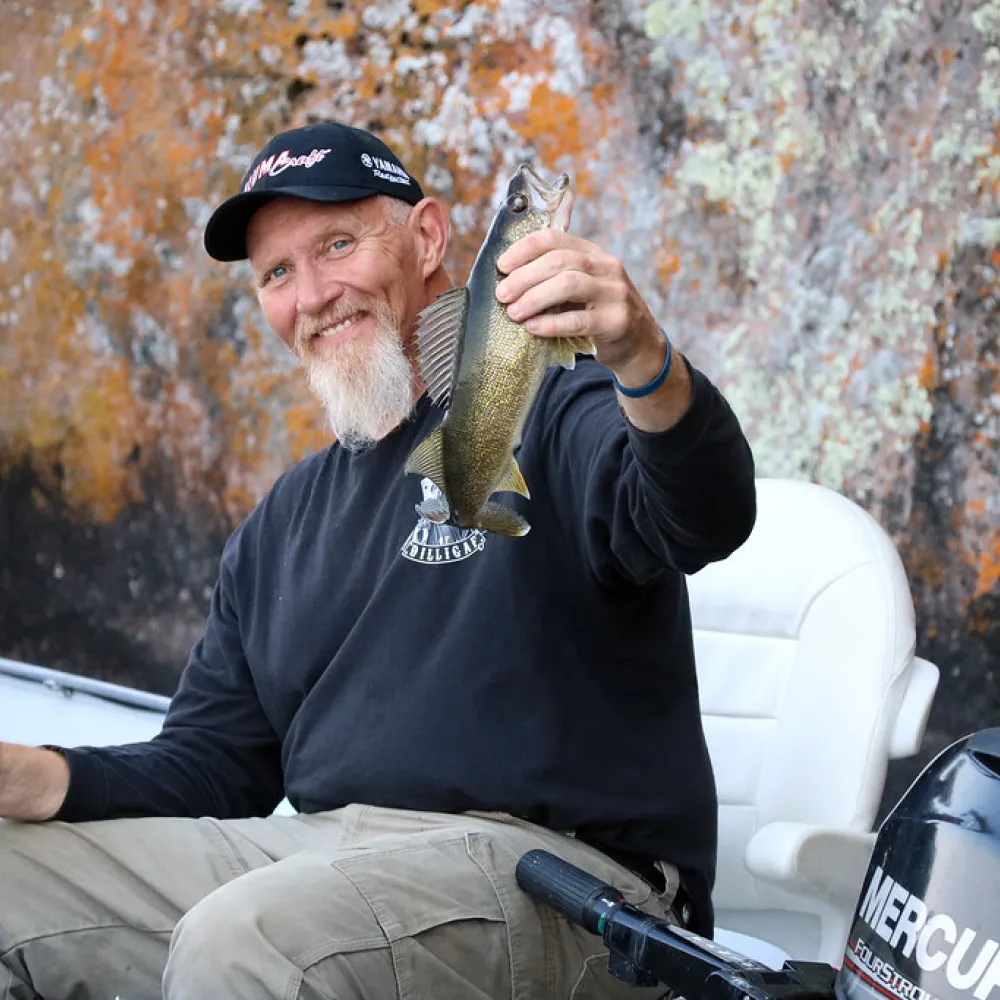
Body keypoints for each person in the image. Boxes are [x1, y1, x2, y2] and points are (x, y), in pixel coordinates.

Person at [0, 121, 757, 1000]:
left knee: (250, 937)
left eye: (337, 244)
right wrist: (31, 773)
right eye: (278, 274)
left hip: (571, 886)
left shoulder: (552, 405)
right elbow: (211, 765)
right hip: (328, 860)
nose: (313, 294)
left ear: (428, 238)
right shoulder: (282, 521)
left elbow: (702, 516)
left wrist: (642, 356)